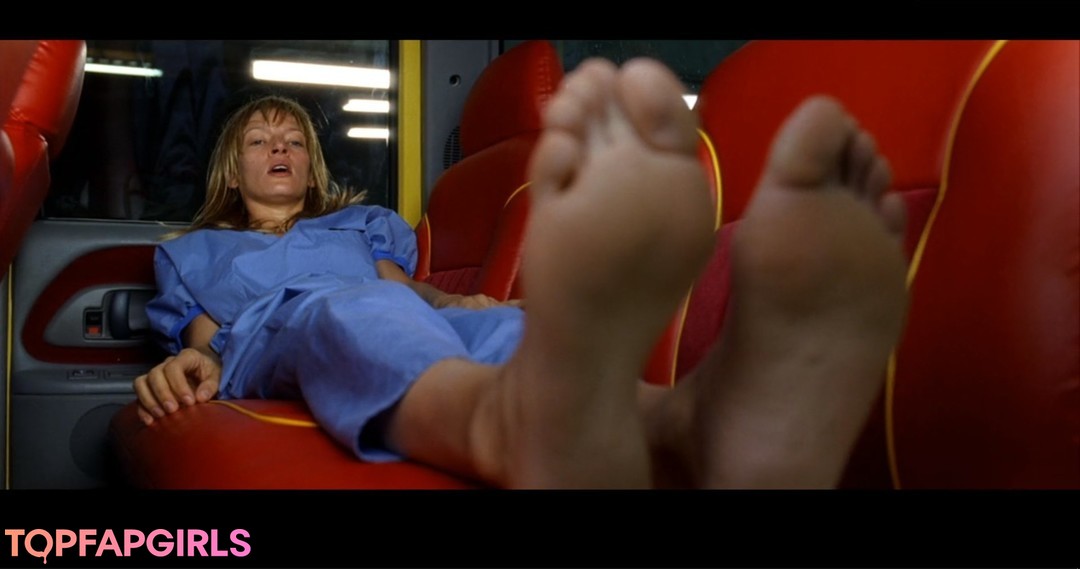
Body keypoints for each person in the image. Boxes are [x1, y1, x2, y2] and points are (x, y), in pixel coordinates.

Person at [133, 57, 909, 489]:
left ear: (312, 164)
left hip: (387, 309)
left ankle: (682, 426)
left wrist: (460, 302)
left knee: (509, 325)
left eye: (295, 141)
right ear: (232, 168)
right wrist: (198, 363)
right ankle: (499, 427)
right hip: (274, 330)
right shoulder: (192, 251)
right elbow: (209, 341)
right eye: (261, 141)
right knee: (346, 314)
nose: (281, 149)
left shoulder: (358, 226)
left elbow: (407, 292)